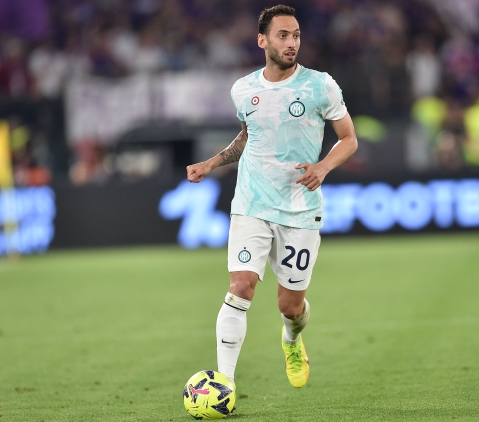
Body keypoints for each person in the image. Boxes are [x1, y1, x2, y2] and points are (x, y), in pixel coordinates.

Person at [186, 4, 358, 391]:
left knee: (290, 307)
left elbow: (349, 139)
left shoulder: (320, 86)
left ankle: (292, 339)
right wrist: (211, 163)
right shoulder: (243, 89)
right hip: (252, 203)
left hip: (299, 209)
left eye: (296, 35)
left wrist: (323, 168)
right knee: (241, 286)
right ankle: (224, 384)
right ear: (262, 40)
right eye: (283, 35)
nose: (291, 42)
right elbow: (248, 137)